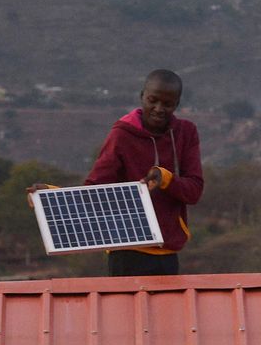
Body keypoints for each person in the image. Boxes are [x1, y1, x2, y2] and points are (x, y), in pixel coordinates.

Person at [36, 69, 203, 276]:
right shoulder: (122, 135)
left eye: (167, 104)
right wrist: (53, 196)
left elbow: (194, 191)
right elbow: (96, 188)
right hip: (126, 251)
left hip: (167, 251)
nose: (159, 108)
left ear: (177, 104)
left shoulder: (186, 133)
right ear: (142, 96)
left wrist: (167, 179)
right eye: (153, 100)